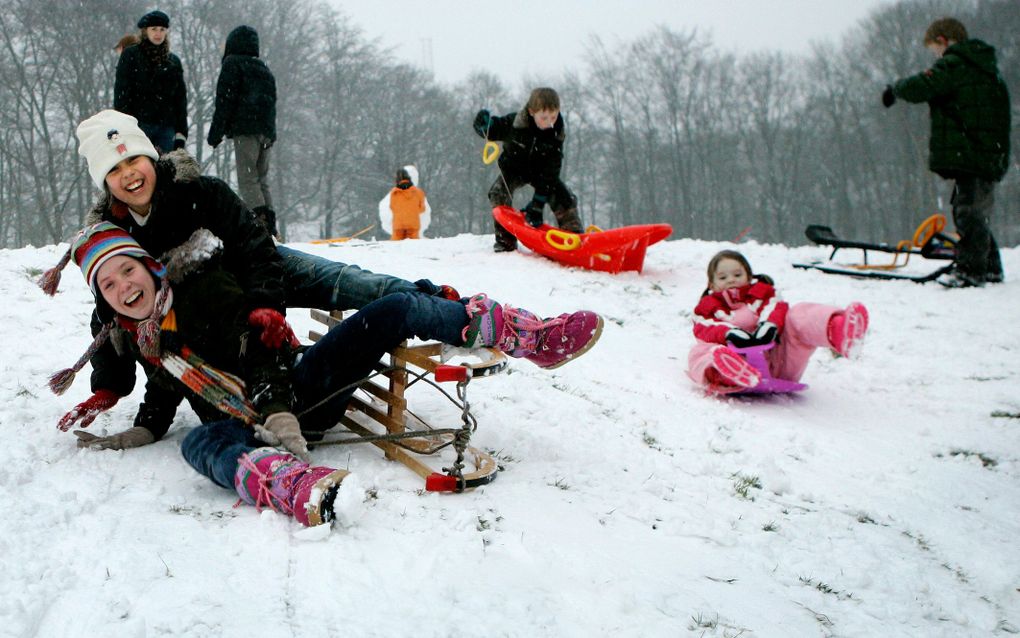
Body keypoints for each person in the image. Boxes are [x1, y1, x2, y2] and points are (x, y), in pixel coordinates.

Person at [53, 222, 604, 526]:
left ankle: (524, 335)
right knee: (198, 441)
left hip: (298, 391)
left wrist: (282, 411)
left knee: (394, 307)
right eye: (108, 284)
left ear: (148, 268)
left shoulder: (203, 295)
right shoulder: (149, 337)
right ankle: (289, 485)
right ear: (106, 301)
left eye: (127, 270)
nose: (123, 286)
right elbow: (164, 391)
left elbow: (258, 347)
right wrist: (136, 432)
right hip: (243, 428)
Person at [40, 110, 457, 432]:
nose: (129, 173)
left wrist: (265, 306)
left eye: (134, 159)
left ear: (151, 157)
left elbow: (255, 247)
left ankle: (435, 300)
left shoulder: (199, 193)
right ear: (105, 183)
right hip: (218, 302)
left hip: (253, 267)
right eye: (114, 169)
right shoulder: (115, 236)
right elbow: (110, 312)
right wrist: (108, 386)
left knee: (344, 281)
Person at [883, 17, 1011, 288]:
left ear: (943, 41)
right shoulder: (987, 69)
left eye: (934, 50)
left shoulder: (956, 64)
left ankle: (971, 272)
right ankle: (990, 267)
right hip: (988, 152)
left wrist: (895, 89)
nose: (936, 56)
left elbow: (923, 85)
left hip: (973, 152)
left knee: (969, 212)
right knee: (972, 210)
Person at [687, 250, 869, 394]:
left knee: (797, 313)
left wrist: (769, 326)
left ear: (749, 277)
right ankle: (729, 374)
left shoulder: (764, 294)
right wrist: (730, 333)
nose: (731, 280)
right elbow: (705, 327)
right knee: (700, 352)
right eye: (723, 277)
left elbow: (775, 309)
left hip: (778, 361)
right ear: (711, 284)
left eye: (737, 274)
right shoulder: (707, 308)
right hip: (737, 362)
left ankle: (837, 331)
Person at [473, 87, 583, 253]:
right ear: (531, 112)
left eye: (553, 117)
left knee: (564, 197)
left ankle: (575, 238)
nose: (550, 122)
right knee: (498, 193)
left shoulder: (556, 133)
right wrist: (482, 124)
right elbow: (491, 130)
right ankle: (505, 240)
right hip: (513, 169)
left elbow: (552, 170)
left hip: (541, 173)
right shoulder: (515, 124)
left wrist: (537, 204)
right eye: (544, 118)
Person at [207, 25, 280, 239]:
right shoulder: (264, 68)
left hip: (246, 130)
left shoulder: (232, 64)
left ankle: (259, 225)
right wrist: (270, 133)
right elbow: (271, 103)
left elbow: (225, 100)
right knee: (261, 178)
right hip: (266, 132)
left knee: (247, 178)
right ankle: (271, 226)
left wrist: (216, 133)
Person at [114, 10, 188, 153]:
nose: (158, 33)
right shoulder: (131, 55)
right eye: (153, 29)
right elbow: (122, 92)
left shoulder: (173, 61)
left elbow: (180, 99)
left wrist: (181, 133)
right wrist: (123, 125)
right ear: (145, 31)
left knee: (165, 171)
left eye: (162, 29)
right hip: (138, 125)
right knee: (142, 168)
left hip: (166, 127)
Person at [378, 165, 431, 240]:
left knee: (397, 246)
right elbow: (422, 209)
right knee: (413, 245)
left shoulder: (394, 193)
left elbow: (392, 207)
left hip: (398, 224)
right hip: (413, 224)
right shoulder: (418, 192)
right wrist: (412, 211)